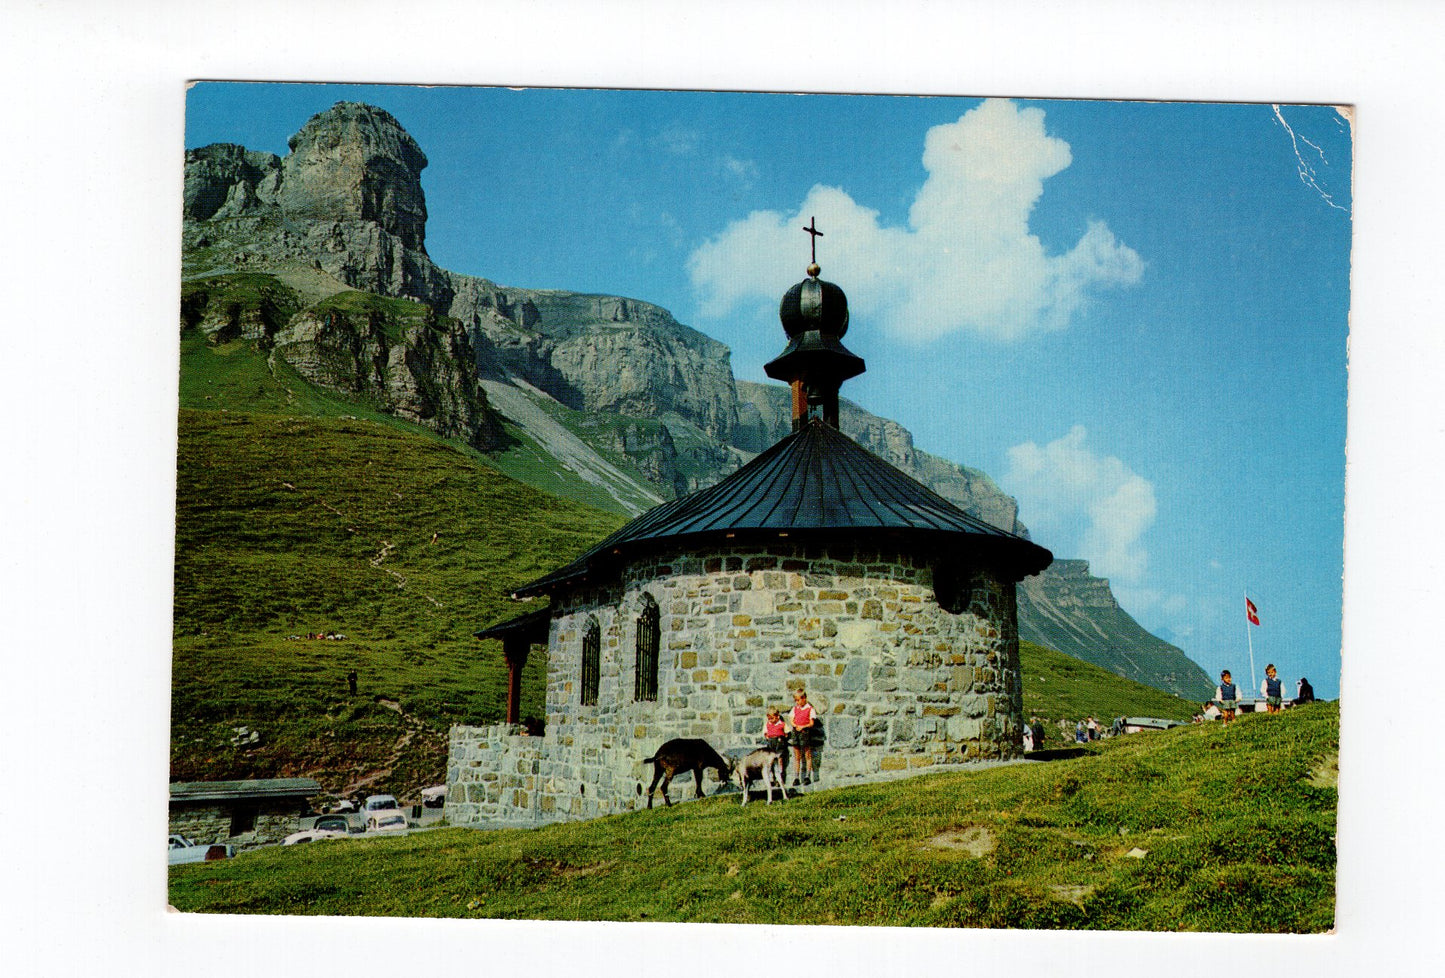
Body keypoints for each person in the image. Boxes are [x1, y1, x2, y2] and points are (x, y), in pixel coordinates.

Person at [789, 688, 820, 786]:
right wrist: (795, 725)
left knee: (807, 755)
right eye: (796, 700)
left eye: (798, 700)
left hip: (805, 733)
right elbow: (791, 719)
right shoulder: (795, 709)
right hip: (796, 732)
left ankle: (807, 776)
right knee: (797, 756)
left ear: (804, 698)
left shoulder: (810, 709)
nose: (797, 702)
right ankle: (796, 777)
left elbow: (811, 723)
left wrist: (803, 726)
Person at [764, 707, 790, 781]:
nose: (771, 720)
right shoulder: (768, 724)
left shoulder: (782, 724)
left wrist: (784, 737)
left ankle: (781, 775)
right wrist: (767, 737)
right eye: (769, 719)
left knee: (780, 760)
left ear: (777, 716)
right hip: (771, 744)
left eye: (772, 718)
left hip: (779, 744)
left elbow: (787, 733)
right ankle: (773, 776)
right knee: (771, 760)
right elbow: (765, 733)